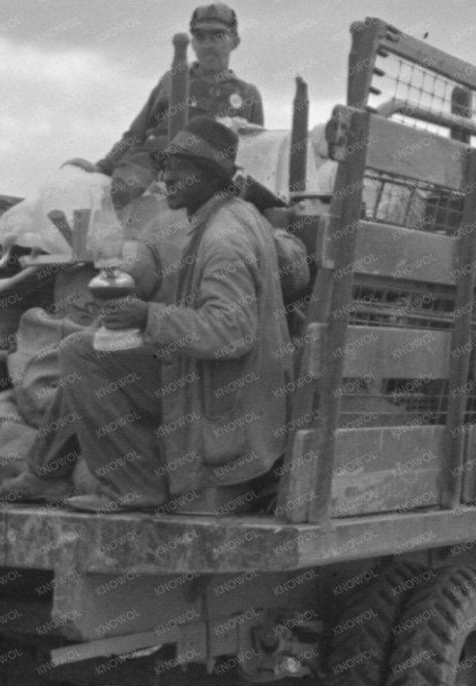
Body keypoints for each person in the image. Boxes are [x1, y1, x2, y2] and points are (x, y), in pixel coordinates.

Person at [25, 116, 293, 514]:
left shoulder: (225, 237)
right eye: (164, 167)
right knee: (92, 344)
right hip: (216, 384)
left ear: (207, 175)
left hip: (225, 404)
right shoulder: (217, 218)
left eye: (176, 169)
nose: (164, 178)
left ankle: (136, 485)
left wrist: (146, 316)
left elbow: (231, 332)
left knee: (83, 352)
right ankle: (43, 473)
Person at [74, 3, 266, 180]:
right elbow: (136, 133)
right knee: (125, 187)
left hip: (209, 178)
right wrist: (102, 168)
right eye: (200, 37)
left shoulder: (247, 94)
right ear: (192, 43)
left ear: (235, 42)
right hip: (152, 166)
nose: (208, 45)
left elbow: (258, 154)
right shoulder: (173, 80)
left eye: (218, 36)